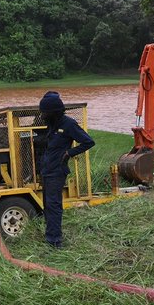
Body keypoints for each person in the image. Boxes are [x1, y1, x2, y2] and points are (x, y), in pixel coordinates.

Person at [37, 91, 94, 249]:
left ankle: (55, 241)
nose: (42, 115)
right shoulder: (52, 124)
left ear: (53, 112)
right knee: (47, 205)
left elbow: (88, 142)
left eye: (44, 112)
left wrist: (69, 153)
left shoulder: (68, 124)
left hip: (57, 172)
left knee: (54, 205)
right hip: (47, 171)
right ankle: (50, 234)